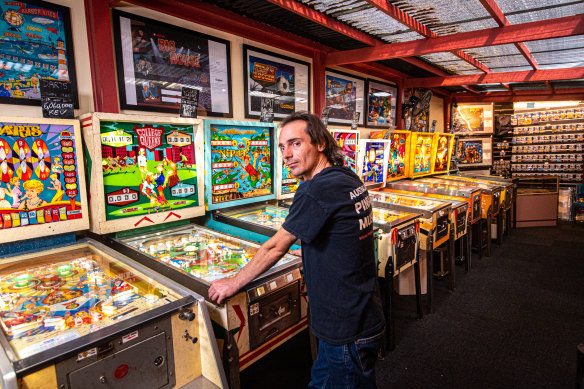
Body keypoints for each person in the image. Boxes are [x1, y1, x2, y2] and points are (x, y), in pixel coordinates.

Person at [209, 111, 384, 389]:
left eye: (296, 143)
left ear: (320, 144)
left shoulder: (315, 189)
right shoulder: (345, 176)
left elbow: (275, 247)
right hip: (360, 313)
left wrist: (233, 282)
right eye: (282, 147)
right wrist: (314, 251)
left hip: (345, 327)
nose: (287, 154)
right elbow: (343, 233)